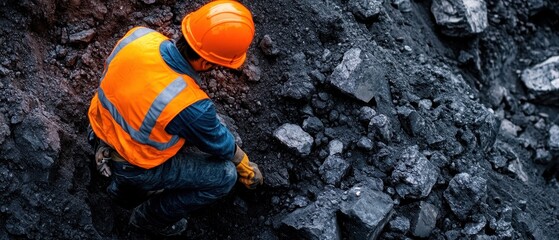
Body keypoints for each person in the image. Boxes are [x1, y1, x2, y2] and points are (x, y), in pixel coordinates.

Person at [86, 0, 263, 236]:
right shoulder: (189, 104)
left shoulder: (140, 36)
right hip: (134, 166)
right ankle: (147, 219)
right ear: (206, 62)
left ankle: (118, 184)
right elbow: (217, 141)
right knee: (225, 176)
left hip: (98, 127)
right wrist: (241, 161)